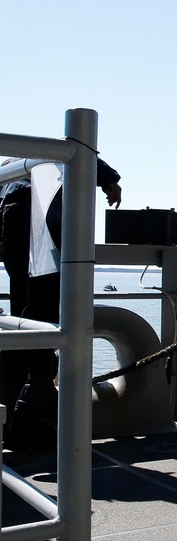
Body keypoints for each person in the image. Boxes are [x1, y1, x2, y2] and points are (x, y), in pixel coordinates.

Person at [0, 157, 122, 463]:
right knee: (41, 314)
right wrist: (110, 179)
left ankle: (19, 413)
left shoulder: (11, 171)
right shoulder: (42, 163)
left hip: (16, 220)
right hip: (42, 217)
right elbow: (78, 154)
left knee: (22, 318)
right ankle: (32, 411)